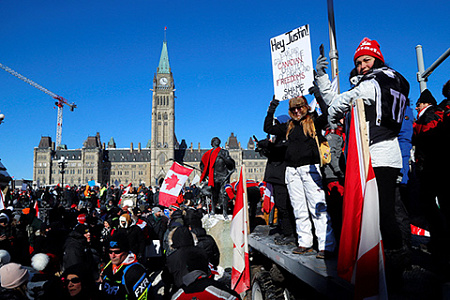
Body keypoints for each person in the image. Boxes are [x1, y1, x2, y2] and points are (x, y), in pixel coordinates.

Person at [315, 37, 411, 280]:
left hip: (379, 153)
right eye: (358, 62)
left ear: (377, 59)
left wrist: (334, 114)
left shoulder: (376, 82)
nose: (362, 66)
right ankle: (383, 261)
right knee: (376, 211)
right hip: (372, 153)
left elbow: (341, 102)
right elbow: (337, 102)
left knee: (383, 212)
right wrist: (322, 79)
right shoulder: (386, 80)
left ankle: (393, 265)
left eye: (366, 60)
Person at [264, 95, 335, 258]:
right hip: (292, 171)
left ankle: (327, 245)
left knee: (318, 207)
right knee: (298, 208)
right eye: (293, 109)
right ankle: (305, 242)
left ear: (306, 108)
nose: (297, 111)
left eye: (300, 107)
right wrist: (272, 106)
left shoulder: (313, 122)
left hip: (310, 168)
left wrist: (317, 94)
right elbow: (267, 128)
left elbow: (327, 114)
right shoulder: (288, 126)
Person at [99, 232, 162, 299]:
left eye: (117, 252)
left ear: (125, 251)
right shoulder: (108, 266)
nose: (113, 256)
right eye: (110, 252)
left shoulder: (136, 271)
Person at [200, 137, 236, 219]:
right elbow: (203, 165)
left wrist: (223, 157)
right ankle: (213, 211)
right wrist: (205, 174)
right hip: (214, 176)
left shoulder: (224, 152)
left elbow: (231, 163)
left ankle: (225, 212)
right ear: (212, 143)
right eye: (214, 141)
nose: (216, 142)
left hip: (223, 176)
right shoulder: (209, 153)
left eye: (217, 141)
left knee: (224, 194)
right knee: (214, 194)